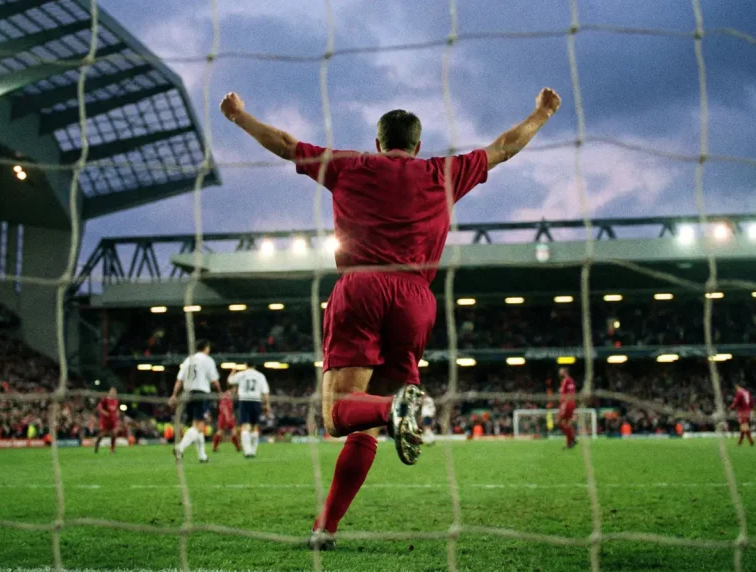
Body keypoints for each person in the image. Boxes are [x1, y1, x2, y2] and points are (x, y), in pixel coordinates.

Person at [220, 85, 561, 550]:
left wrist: (240, 115)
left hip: (363, 287)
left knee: (338, 415)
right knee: (370, 428)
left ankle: (391, 409)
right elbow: (504, 147)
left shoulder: (350, 165)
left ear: (378, 142)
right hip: (416, 300)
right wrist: (541, 112)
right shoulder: (444, 172)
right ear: (418, 146)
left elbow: (283, 144)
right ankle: (326, 527)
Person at [170, 339, 221, 463]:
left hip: (188, 393)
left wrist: (174, 394)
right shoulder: (207, 360)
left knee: (196, 426)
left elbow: (179, 380)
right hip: (201, 392)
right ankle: (180, 448)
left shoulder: (188, 360)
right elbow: (214, 380)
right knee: (199, 426)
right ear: (206, 348)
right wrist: (220, 391)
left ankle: (202, 456)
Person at [227, 362, 271, 459]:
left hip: (244, 401)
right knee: (255, 427)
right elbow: (265, 391)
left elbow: (230, 381)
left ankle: (247, 451)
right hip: (256, 401)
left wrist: (233, 371)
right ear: (254, 366)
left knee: (245, 427)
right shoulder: (260, 375)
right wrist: (267, 405)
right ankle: (253, 451)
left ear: (246, 366)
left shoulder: (242, 374)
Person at [213, 389, 242, 454]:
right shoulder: (228, 395)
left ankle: (215, 447)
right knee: (233, 431)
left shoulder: (226, 395)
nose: (236, 390)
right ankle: (238, 447)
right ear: (233, 388)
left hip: (223, 415)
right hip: (226, 415)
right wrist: (227, 416)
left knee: (220, 431)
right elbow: (224, 406)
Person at [94, 388, 120, 454]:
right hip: (105, 421)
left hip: (113, 420)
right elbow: (99, 407)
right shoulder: (105, 400)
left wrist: (117, 413)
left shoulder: (116, 401)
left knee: (114, 433)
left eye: (114, 392)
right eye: (112, 392)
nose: (113, 394)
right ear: (109, 392)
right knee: (102, 435)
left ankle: (112, 449)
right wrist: (104, 412)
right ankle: (97, 444)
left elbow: (116, 409)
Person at [557, 367, 577, 449]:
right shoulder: (564, 381)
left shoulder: (568, 380)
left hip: (567, 404)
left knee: (559, 422)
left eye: (560, 371)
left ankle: (572, 438)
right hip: (566, 404)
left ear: (565, 372)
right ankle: (569, 443)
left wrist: (565, 404)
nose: (559, 372)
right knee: (566, 423)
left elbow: (571, 393)